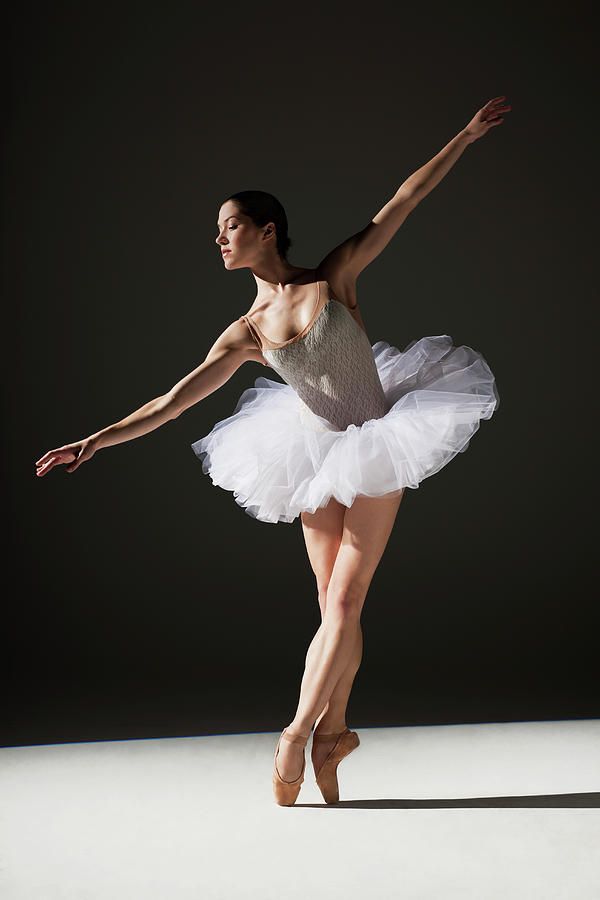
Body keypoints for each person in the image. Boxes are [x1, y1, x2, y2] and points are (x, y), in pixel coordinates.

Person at [35, 95, 510, 806]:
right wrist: (95, 440)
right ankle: (337, 732)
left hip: (377, 442)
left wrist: (465, 137)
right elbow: (171, 402)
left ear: (268, 230)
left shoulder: (333, 278)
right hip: (314, 454)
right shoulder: (245, 333)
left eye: (231, 228)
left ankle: (295, 733)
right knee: (332, 610)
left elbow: (403, 200)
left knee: (345, 601)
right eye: (217, 231)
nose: (220, 240)